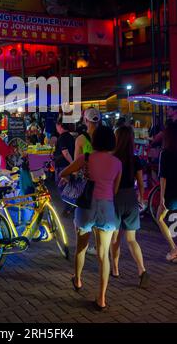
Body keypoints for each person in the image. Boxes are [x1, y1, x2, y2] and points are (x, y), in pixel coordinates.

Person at [61, 126, 122, 311]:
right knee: (104, 255)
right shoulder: (117, 163)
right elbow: (115, 190)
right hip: (107, 209)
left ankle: (78, 280)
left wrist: (79, 176)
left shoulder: (85, 158)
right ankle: (102, 299)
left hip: (87, 206)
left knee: (81, 248)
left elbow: (64, 173)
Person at [111, 126, 150, 287]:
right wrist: (141, 197)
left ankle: (115, 269)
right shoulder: (135, 159)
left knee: (115, 238)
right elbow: (140, 183)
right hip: (131, 198)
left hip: (115, 198)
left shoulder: (113, 158)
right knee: (131, 239)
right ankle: (141, 269)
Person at [74, 108, 101, 255]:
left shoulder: (80, 139)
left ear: (85, 120)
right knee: (98, 217)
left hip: (86, 183)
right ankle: (99, 247)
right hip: (103, 182)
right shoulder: (107, 137)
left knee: (81, 220)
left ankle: (82, 248)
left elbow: (76, 163)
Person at [157, 122, 177, 262]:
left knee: (160, 217)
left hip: (171, 190)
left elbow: (163, 177)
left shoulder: (165, 153)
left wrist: (162, 197)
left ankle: (174, 248)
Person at [54, 116, 75, 215]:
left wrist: (72, 164)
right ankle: (70, 205)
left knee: (62, 186)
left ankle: (68, 207)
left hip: (63, 167)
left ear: (60, 126)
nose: (56, 128)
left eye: (57, 125)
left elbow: (65, 152)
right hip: (68, 166)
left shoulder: (62, 137)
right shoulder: (70, 136)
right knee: (68, 186)